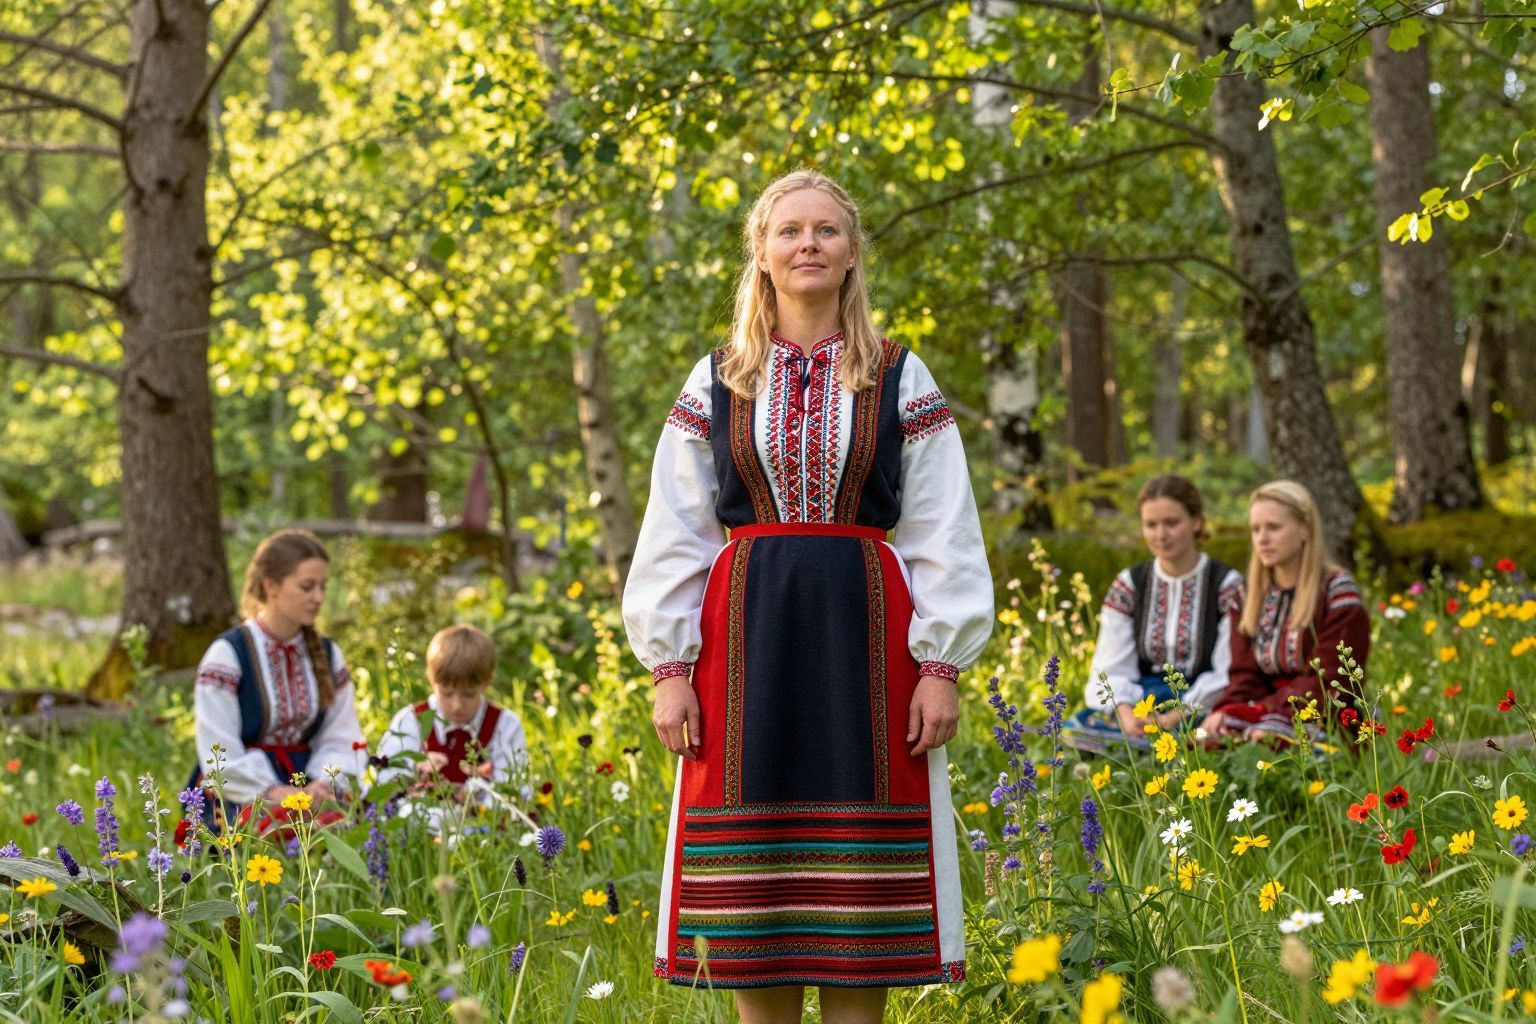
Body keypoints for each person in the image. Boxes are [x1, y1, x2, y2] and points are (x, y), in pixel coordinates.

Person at [622, 169, 992, 1022]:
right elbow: (675, 526)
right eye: (790, 232)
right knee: (757, 912)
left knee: (860, 916)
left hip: (866, 634)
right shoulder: (716, 378)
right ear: (761, 251)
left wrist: (942, 663)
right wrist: (668, 666)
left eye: (826, 231)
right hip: (743, 641)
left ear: (853, 251)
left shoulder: (899, 375)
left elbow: (943, 525)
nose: (808, 245)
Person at [1063, 475, 1243, 755]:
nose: (1161, 534)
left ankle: (1162, 748)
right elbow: (1110, 665)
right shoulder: (1130, 585)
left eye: (1171, 523)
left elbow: (1227, 671)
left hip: (1202, 700)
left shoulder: (1226, 586)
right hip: (1142, 701)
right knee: (1076, 732)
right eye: (1151, 525)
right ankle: (1138, 743)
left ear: (1196, 521)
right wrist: (1125, 712)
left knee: (1216, 733)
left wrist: (1173, 717)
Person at [191, 529, 365, 817]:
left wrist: (325, 784)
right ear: (271, 586)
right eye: (307, 587)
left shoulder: (328, 654)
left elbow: (341, 736)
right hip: (242, 794)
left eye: (323, 586)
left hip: (311, 788)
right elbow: (218, 755)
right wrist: (278, 794)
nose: (318, 597)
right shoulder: (228, 655)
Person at [1200, 480, 1371, 741]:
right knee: (1207, 738)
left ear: (1304, 530)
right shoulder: (1248, 596)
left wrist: (1265, 711)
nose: (1262, 539)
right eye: (1256, 529)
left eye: (1273, 528)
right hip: (1261, 711)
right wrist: (1227, 710)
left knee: (1269, 742)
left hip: (1324, 716)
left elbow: (1330, 681)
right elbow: (1243, 675)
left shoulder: (1337, 593)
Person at [372, 624, 530, 800]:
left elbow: (517, 789)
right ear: (431, 681)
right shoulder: (411, 720)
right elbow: (384, 780)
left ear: (487, 683)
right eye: (446, 693)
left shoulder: (504, 725)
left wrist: (475, 791)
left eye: (469, 695)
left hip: (483, 823)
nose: (457, 705)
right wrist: (416, 769)